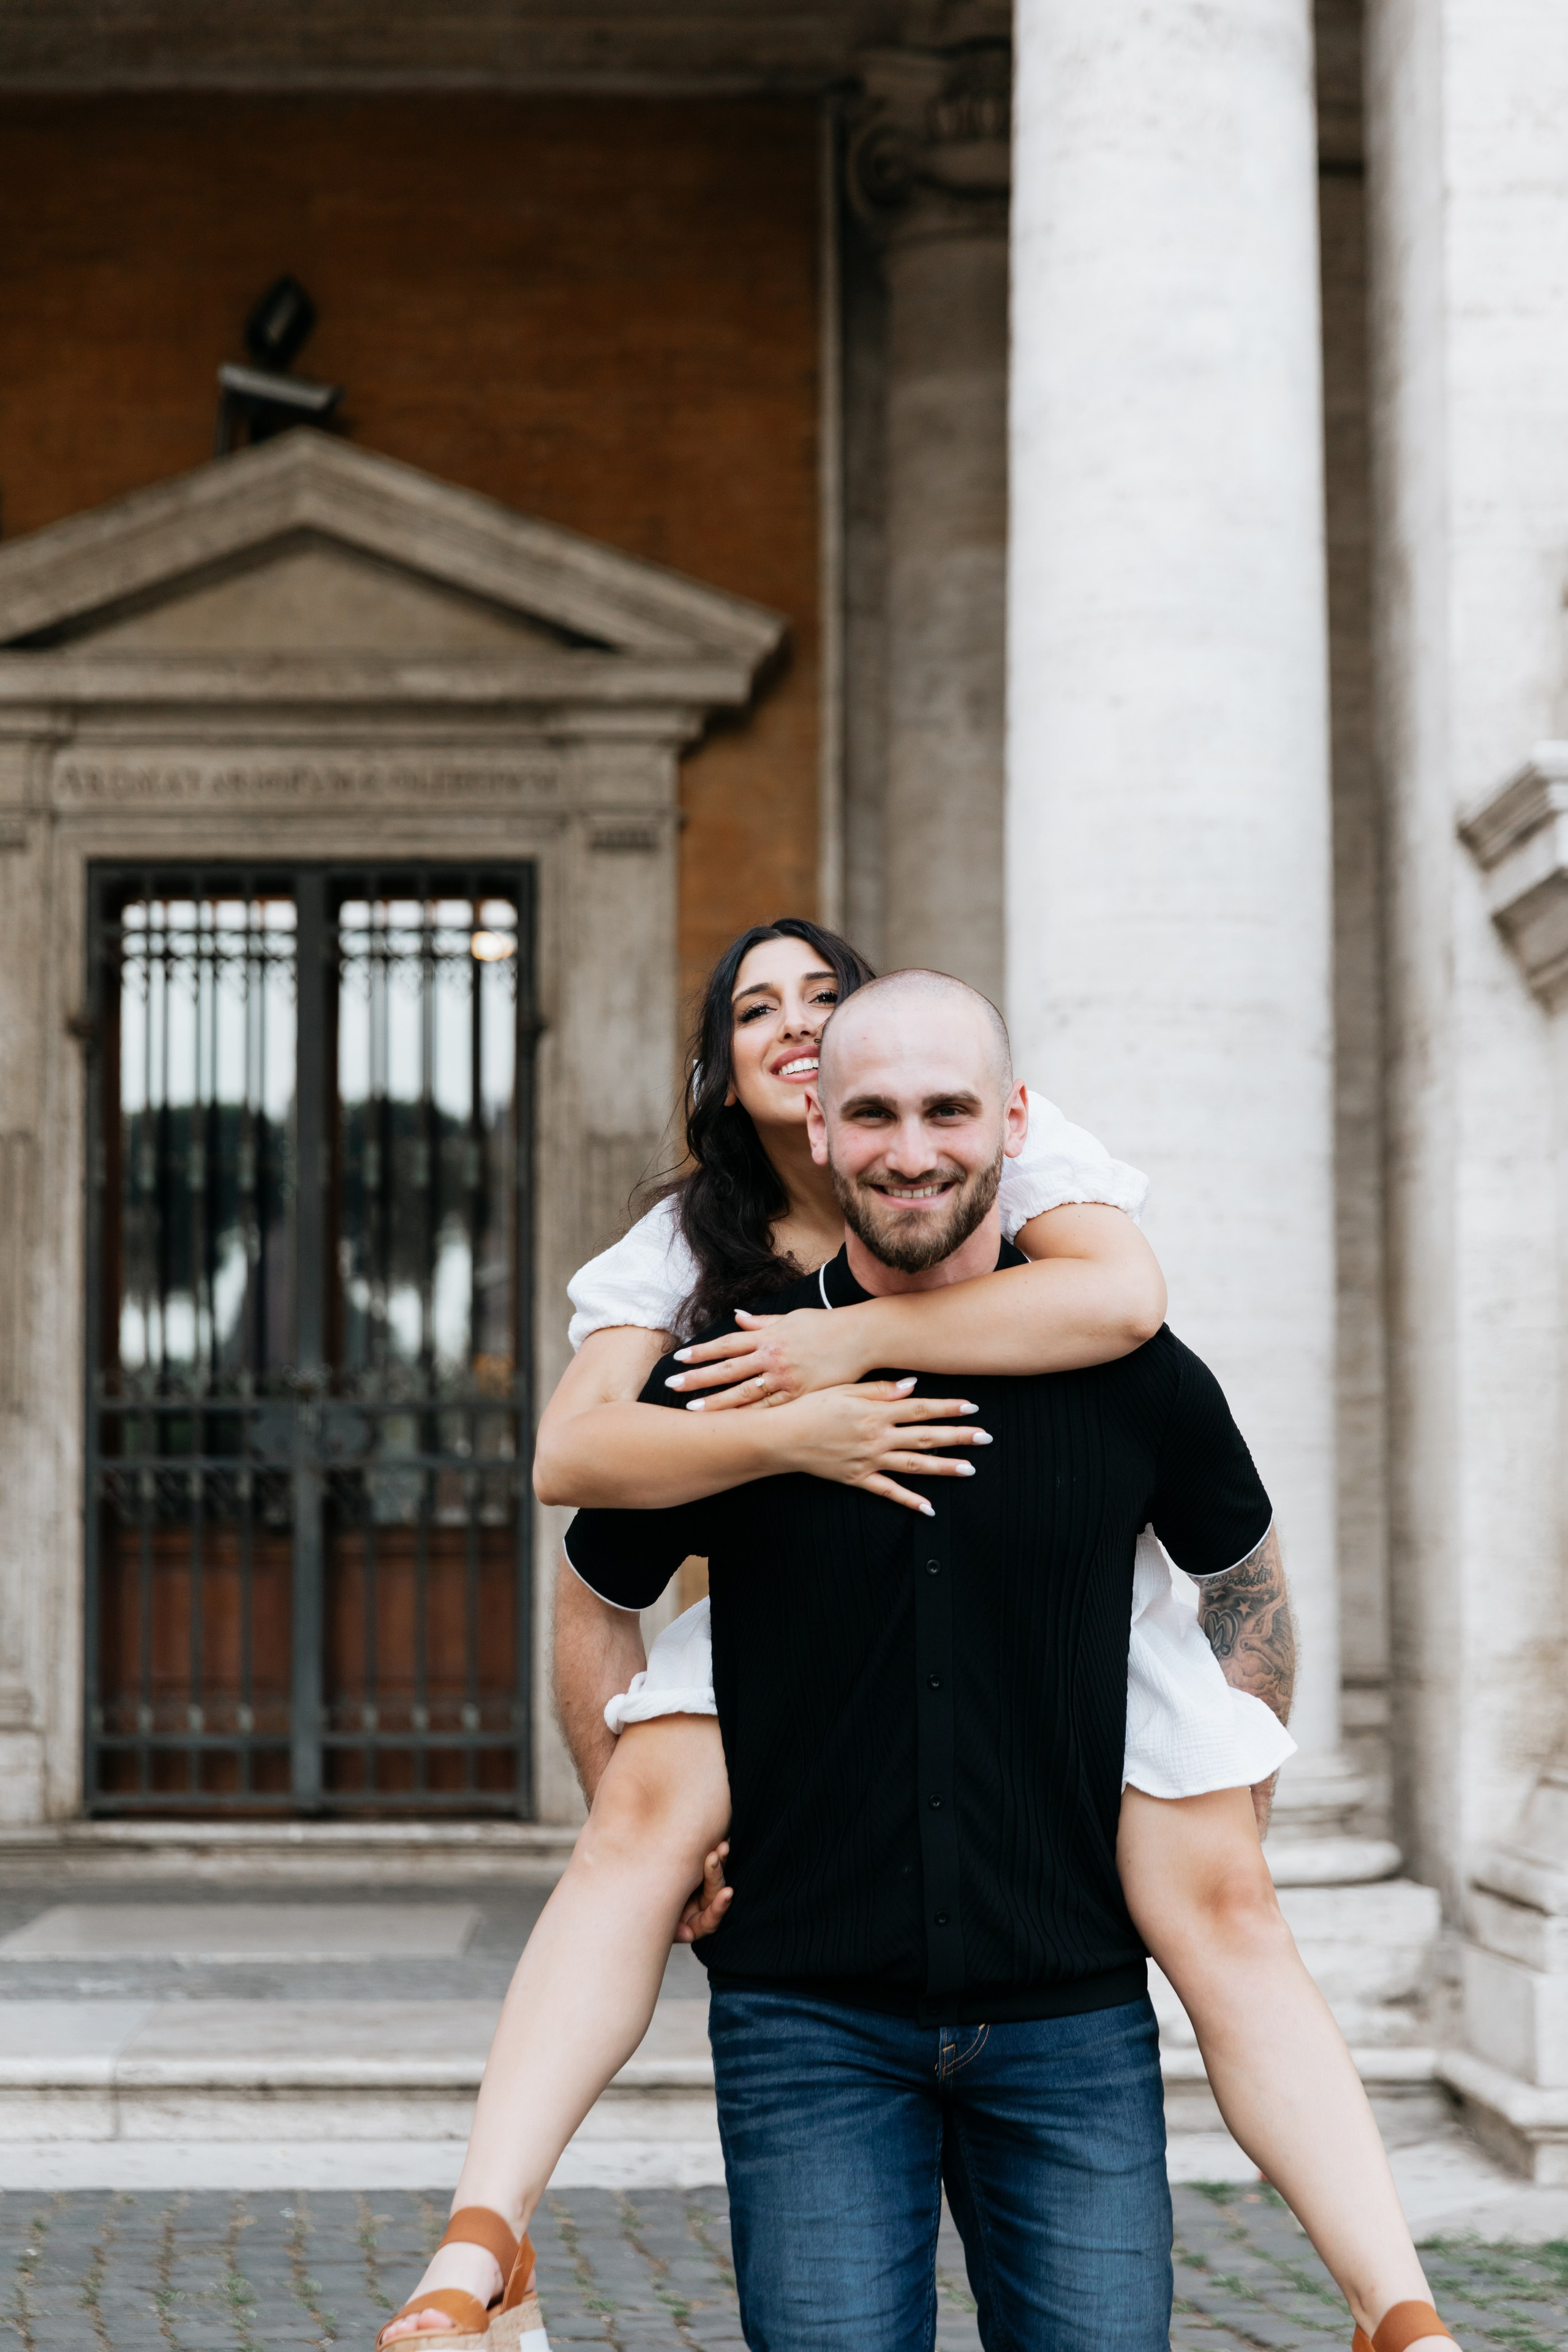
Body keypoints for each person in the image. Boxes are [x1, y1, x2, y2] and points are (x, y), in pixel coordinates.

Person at [376, 927, 1451, 2352]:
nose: (909, 1145)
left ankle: (1401, 2316)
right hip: (808, 2019)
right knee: (640, 1818)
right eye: (870, 1112)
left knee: (1226, 1909)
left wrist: (1232, 1768)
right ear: (816, 1120)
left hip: (1064, 2017)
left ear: (1011, 1123)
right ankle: (479, 2243)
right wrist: (780, 1420)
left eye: (946, 1110)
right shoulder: (720, 1346)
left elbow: (1239, 1571)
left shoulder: (1122, 1356)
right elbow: (592, 1556)